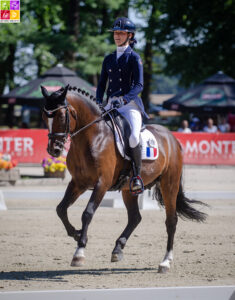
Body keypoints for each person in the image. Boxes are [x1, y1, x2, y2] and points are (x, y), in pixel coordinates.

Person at [96, 17, 149, 194]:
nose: (117, 36)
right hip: (111, 104)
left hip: (129, 105)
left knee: (133, 137)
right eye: (115, 33)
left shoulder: (134, 58)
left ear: (130, 35)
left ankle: (137, 176)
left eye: (121, 33)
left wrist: (125, 99)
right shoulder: (109, 59)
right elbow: (102, 84)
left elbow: (139, 85)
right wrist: (98, 101)